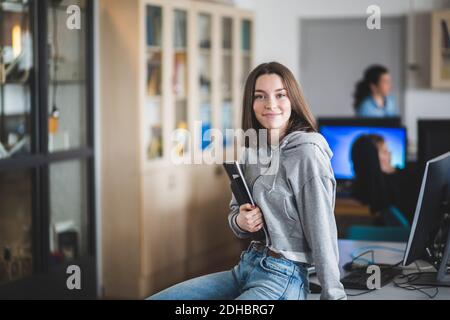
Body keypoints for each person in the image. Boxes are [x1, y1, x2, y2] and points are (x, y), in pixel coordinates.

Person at [148, 62, 346, 300]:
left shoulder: (307, 153)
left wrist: (333, 295)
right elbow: (235, 216)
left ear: (293, 100)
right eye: (260, 96)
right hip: (245, 268)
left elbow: (322, 229)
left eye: (280, 95)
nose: (270, 104)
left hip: (284, 277)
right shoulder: (251, 152)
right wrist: (242, 221)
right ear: (251, 105)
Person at [351, 134, 419, 224]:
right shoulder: (382, 185)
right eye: (384, 151)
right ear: (372, 157)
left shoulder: (408, 180)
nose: (389, 154)